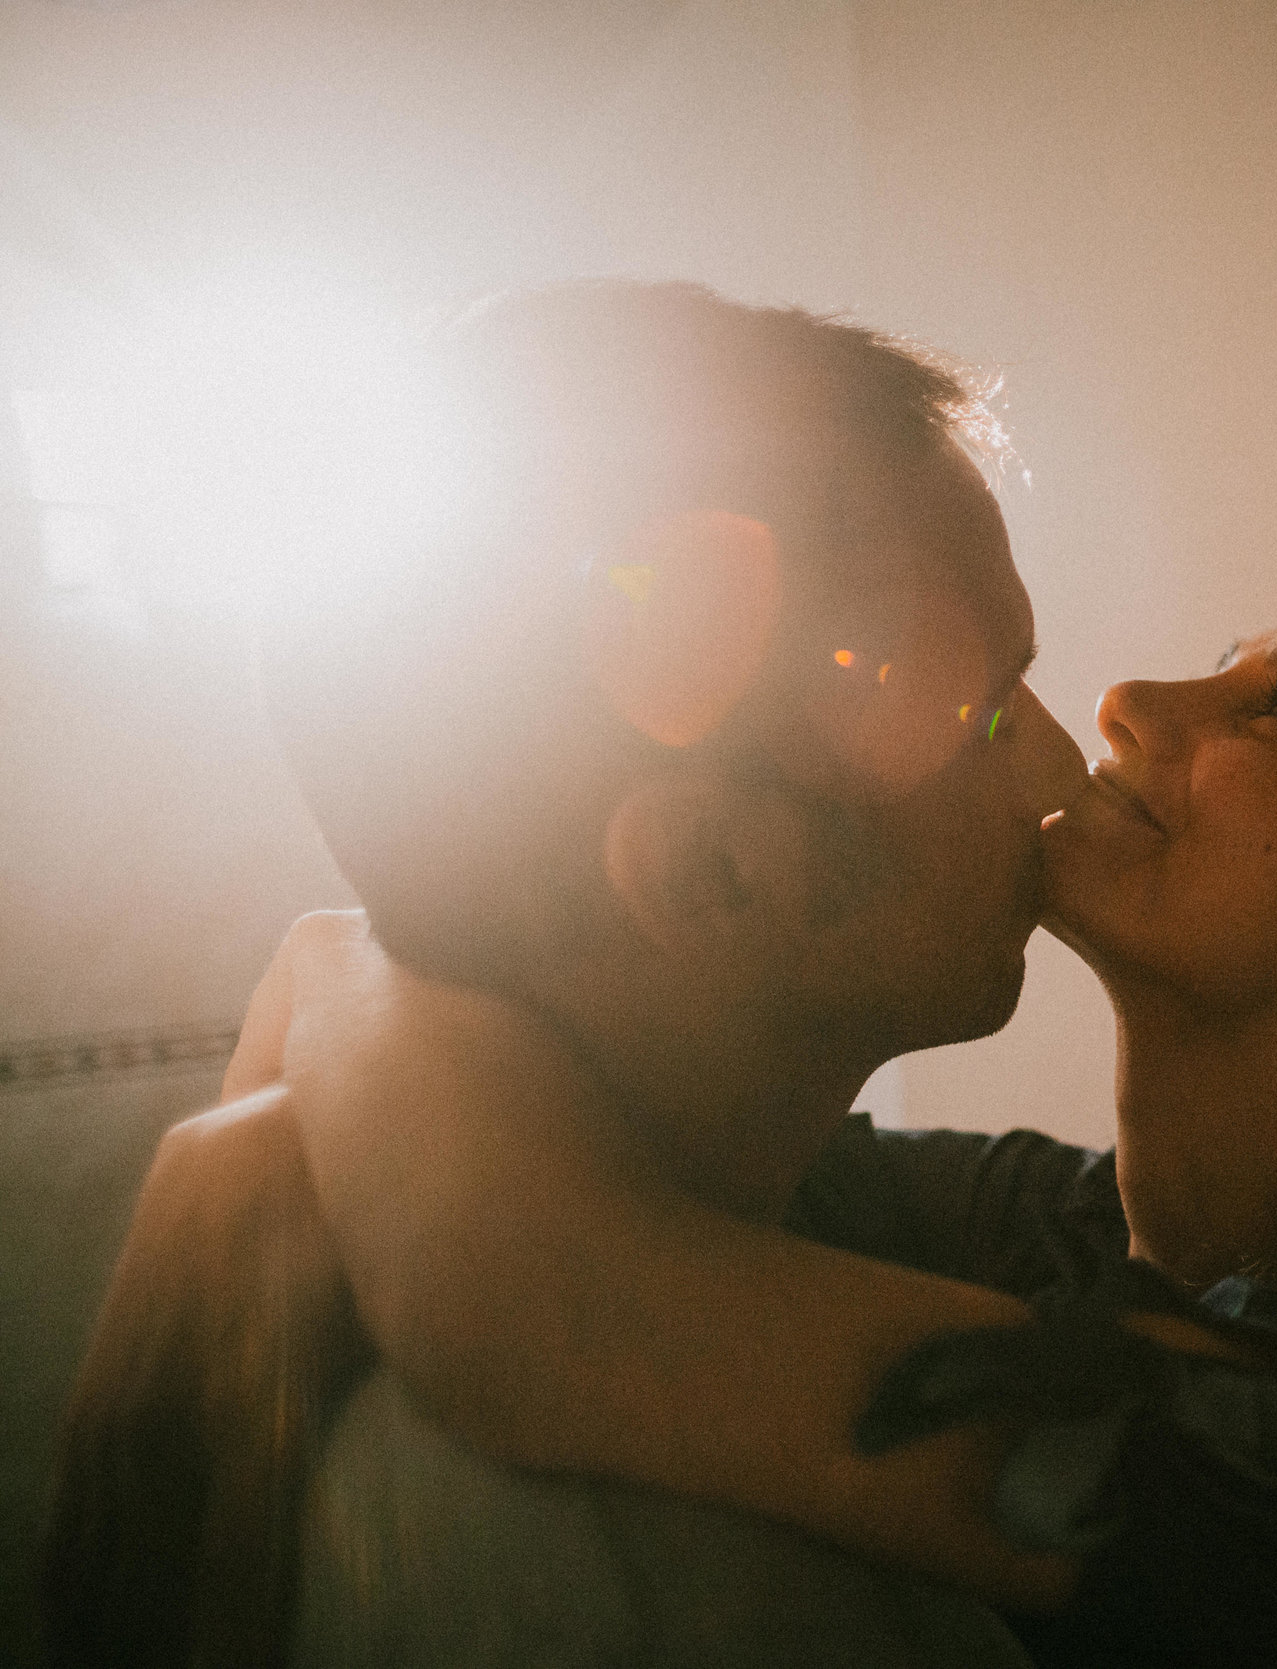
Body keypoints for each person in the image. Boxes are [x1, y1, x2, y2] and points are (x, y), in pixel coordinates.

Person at [240, 581, 1277, 1664]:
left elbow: (538, 1296)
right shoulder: (1067, 1237)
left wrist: (328, 971)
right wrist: (310, 1018)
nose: (1135, 699)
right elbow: (546, 1134)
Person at [39, 279, 1096, 1666]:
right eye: (990, 714)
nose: (1072, 769)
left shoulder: (830, 1222)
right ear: (713, 872)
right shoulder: (599, 1577)